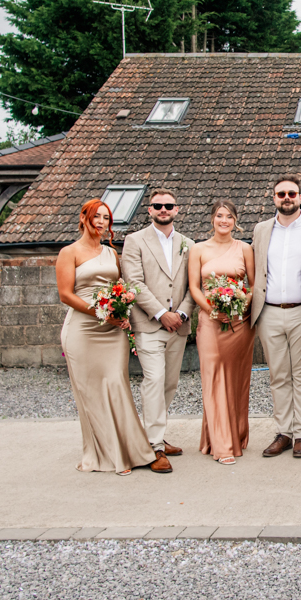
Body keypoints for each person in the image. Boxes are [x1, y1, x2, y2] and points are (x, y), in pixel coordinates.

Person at [56, 199, 159, 476]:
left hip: (113, 330)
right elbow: (66, 294)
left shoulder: (112, 254)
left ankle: (133, 450)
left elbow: (119, 288)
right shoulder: (69, 252)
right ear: (83, 218)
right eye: (96, 217)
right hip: (83, 330)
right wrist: (99, 313)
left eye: (106, 219)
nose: (101, 223)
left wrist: (122, 311)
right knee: (89, 393)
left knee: (117, 384)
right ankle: (106, 455)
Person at [250, 175, 301, 460]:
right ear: (273, 197)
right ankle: (283, 432)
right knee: (278, 375)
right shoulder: (261, 230)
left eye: (292, 194)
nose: (287, 198)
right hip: (269, 311)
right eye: (281, 194)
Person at [121, 188, 195, 473]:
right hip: (149, 325)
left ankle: (157, 435)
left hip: (179, 325)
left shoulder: (188, 243)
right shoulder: (134, 241)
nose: (163, 210)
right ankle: (153, 448)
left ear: (177, 209)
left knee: (169, 384)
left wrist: (181, 313)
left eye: (168, 206)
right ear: (149, 210)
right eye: (157, 206)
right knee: (153, 380)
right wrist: (162, 314)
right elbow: (134, 282)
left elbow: (193, 284)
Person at [188, 200, 256, 465]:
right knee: (214, 377)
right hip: (210, 321)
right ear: (212, 219)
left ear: (235, 221)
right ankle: (221, 444)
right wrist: (212, 310)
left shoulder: (245, 249)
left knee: (237, 380)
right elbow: (194, 286)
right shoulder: (198, 249)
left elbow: (252, 285)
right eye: (219, 216)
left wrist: (240, 306)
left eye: (229, 216)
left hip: (240, 324)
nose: (224, 220)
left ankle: (234, 434)